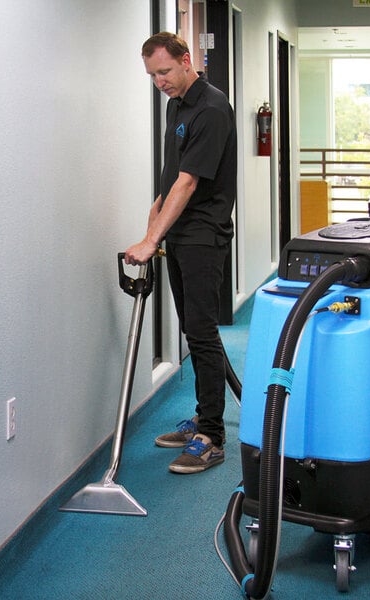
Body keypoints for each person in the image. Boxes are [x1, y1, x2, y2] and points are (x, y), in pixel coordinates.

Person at [124, 32, 237, 474]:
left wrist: (151, 240)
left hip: (204, 235)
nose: (159, 82)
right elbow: (174, 175)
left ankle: (213, 435)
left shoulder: (211, 107)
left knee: (202, 332)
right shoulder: (177, 106)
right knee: (193, 332)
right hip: (179, 232)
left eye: (165, 72)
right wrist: (153, 219)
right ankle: (203, 417)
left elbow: (190, 183)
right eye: (152, 75)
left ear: (186, 60)